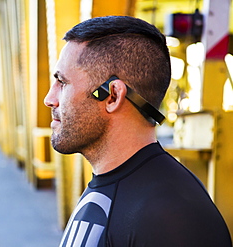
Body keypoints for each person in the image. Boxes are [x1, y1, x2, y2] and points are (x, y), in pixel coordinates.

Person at [44, 16, 232, 247]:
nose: (49, 99)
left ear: (112, 95)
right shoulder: (116, 183)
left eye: (62, 83)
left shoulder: (170, 215)